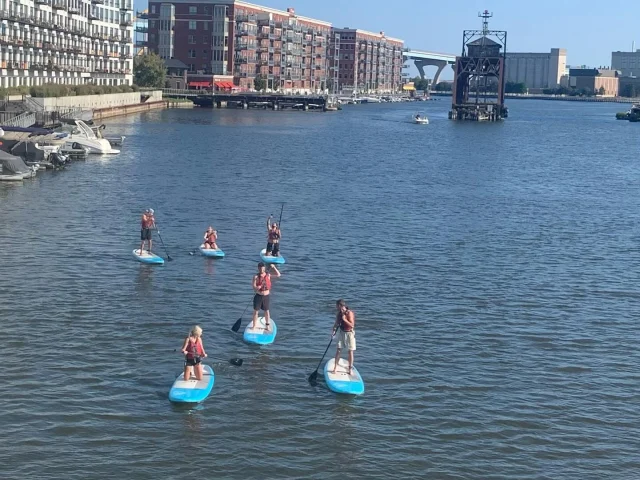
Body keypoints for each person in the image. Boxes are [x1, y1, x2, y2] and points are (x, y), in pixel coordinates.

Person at [251, 261, 281, 330]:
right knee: (256, 311)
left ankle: (267, 325)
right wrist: (256, 287)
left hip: (266, 296)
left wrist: (274, 267)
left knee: (266, 311)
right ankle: (254, 326)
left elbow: (278, 275)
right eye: (260, 269)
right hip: (258, 296)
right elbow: (253, 286)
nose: (261, 270)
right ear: (258, 268)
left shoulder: (268, 275)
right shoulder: (255, 276)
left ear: (264, 268)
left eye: (263, 269)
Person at [331, 299, 356, 375]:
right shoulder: (339, 314)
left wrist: (344, 319)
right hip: (341, 333)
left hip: (349, 334)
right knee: (338, 350)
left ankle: (350, 369)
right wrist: (334, 330)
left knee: (350, 351)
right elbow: (336, 324)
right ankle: (335, 367)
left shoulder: (349, 313)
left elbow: (352, 325)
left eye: (336, 306)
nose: (336, 307)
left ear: (340, 306)